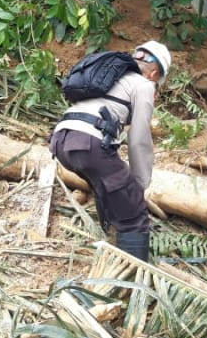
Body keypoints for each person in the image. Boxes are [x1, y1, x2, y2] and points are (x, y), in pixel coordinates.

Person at [49, 41, 172, 262]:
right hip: (87, 144)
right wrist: (140, 183)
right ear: (154, 74)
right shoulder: (144, 85)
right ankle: (133, 279)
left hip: (61, 140)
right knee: (133, 207)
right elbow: (139, 138)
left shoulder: (109, 77)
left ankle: (111, 243)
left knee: (106, 187)